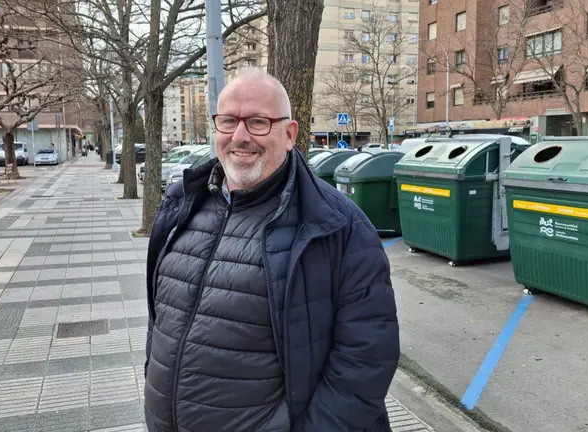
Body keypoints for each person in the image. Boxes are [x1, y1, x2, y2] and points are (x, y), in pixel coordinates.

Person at [144, 67, 400, 432]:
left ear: (290, 133)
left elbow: (366, 362)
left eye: (259, 122)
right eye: (229, 121)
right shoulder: (181, 206)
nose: (241, 136)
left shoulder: (338, 227)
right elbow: (161, 324)